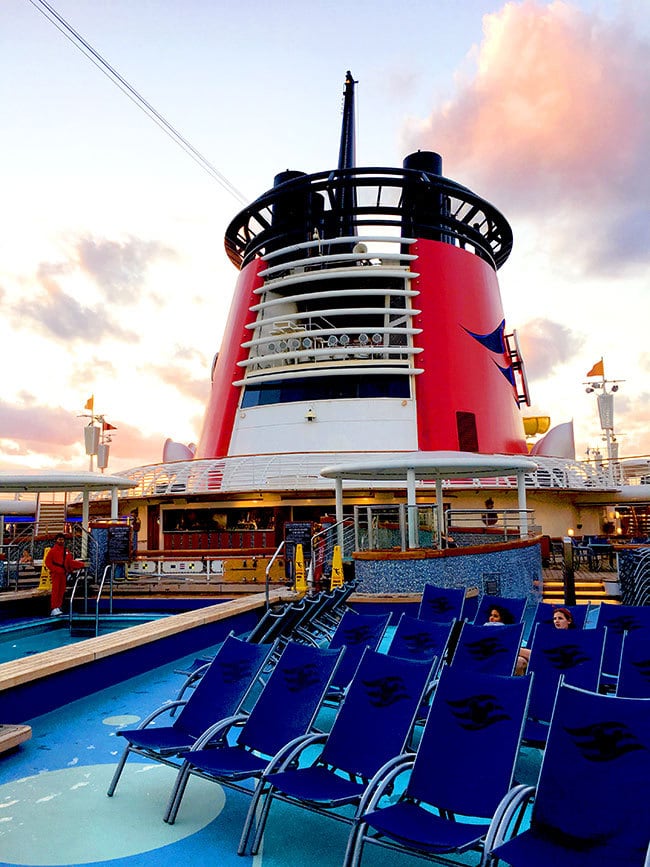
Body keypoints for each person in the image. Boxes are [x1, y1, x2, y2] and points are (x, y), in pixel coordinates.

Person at [516, 606, 576, 673]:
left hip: (553, 661)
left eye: (560, 618)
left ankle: (514, 649)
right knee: (519, 662)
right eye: (554, 619)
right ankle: (522, 682)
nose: (556, 621)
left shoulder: (572, 635)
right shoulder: (549, 634)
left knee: (515, 649)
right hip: (538, 658)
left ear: (569, 621)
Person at [44, 534, 85, 616]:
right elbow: (47, 562)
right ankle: (54, 607)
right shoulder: (52, 551)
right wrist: (55, 569)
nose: (61, 541)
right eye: (59, 539)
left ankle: (58, 606)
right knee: (56, 590)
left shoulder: (66, 551)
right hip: (56, 573)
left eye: (62, 539)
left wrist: (80, 565)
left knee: (61, 591)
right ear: (56, 540)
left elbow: (70, 562)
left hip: (63, 573)